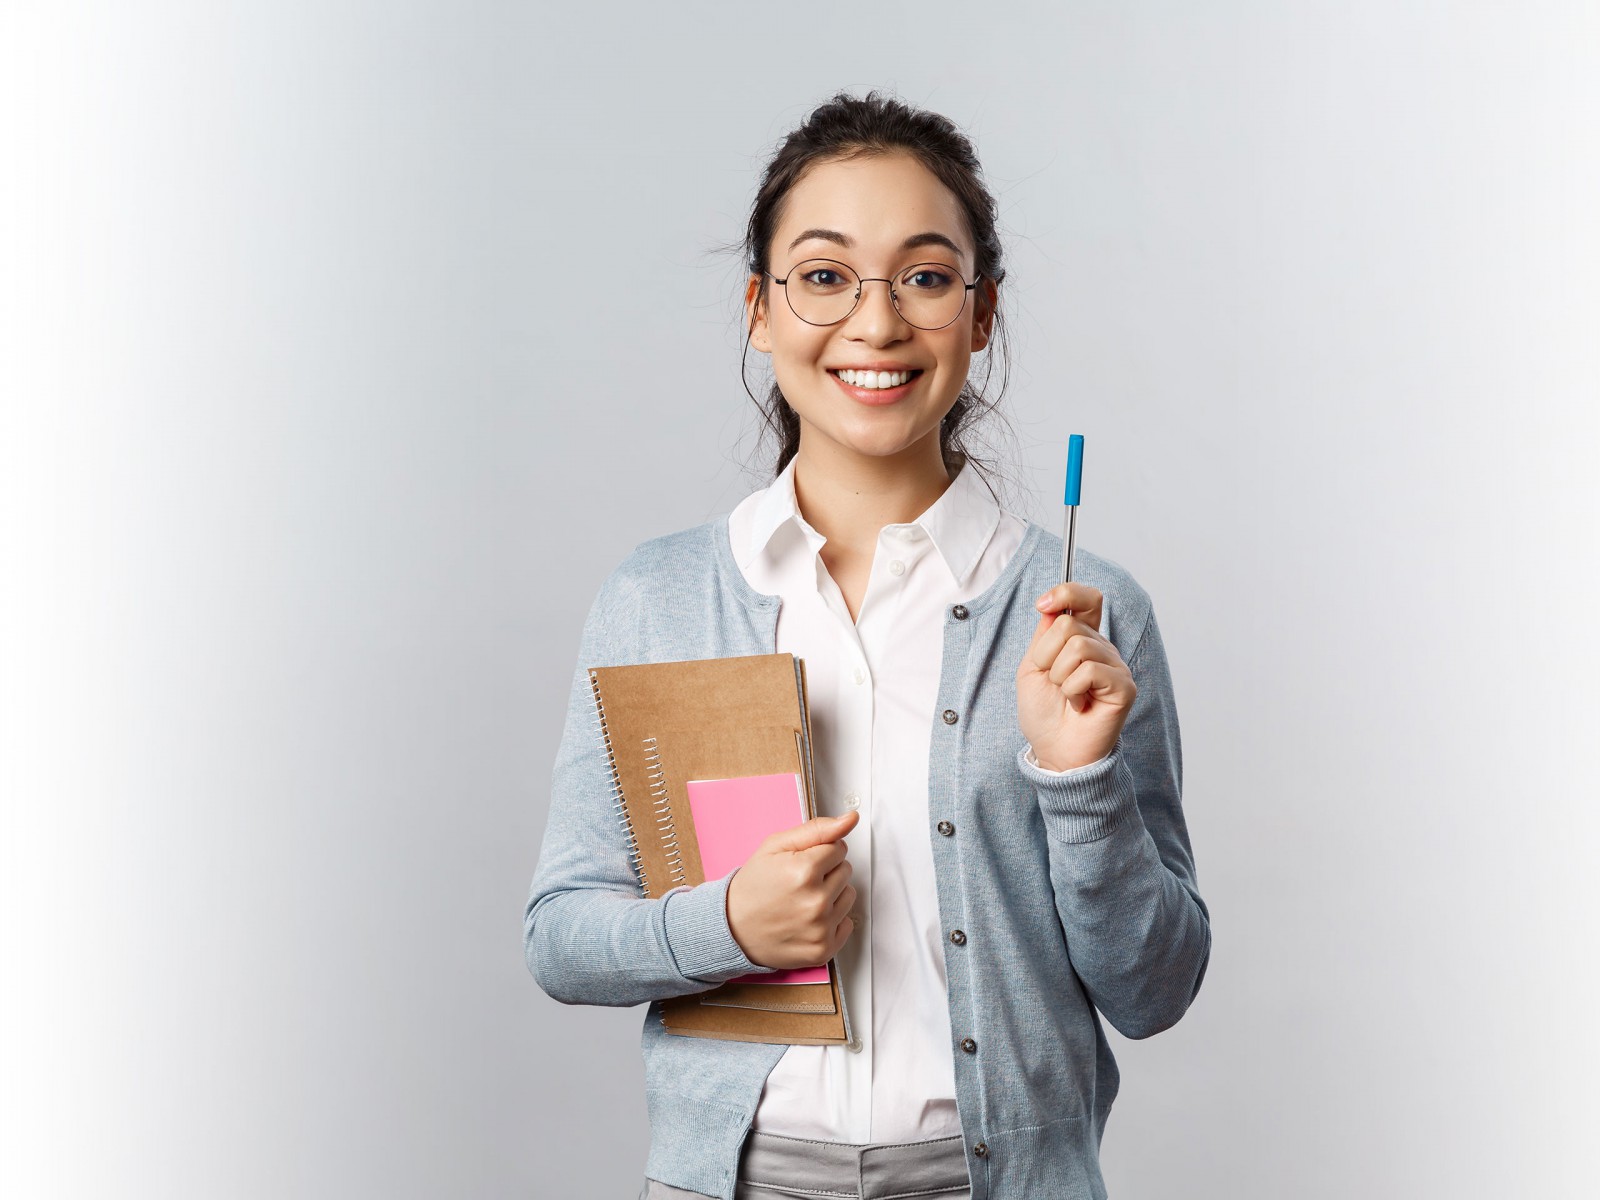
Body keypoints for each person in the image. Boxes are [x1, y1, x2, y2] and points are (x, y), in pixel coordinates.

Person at [524, 90, 1211, 1200]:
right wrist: (731, 922)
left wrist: (1077, 782)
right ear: (759, 307)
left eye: (927, 277)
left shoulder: (1081, 614)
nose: (877, 323)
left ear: (980, 315)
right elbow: (560, 937)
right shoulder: (657, 599)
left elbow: (1156, 988)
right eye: (825, 275)